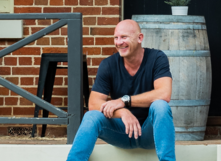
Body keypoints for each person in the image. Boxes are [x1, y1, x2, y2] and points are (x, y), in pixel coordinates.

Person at [66, 19, 175, 161]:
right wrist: (123, 112)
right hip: (121, 132)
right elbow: (94, 104)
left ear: (140, 38)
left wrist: (125, 101)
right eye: (116, 38)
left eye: (124, 37)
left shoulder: (157, 58)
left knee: (160, 106)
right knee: (91, 116)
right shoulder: (108, 64)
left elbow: (164, 94)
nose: (118, 42)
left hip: (151, 132)